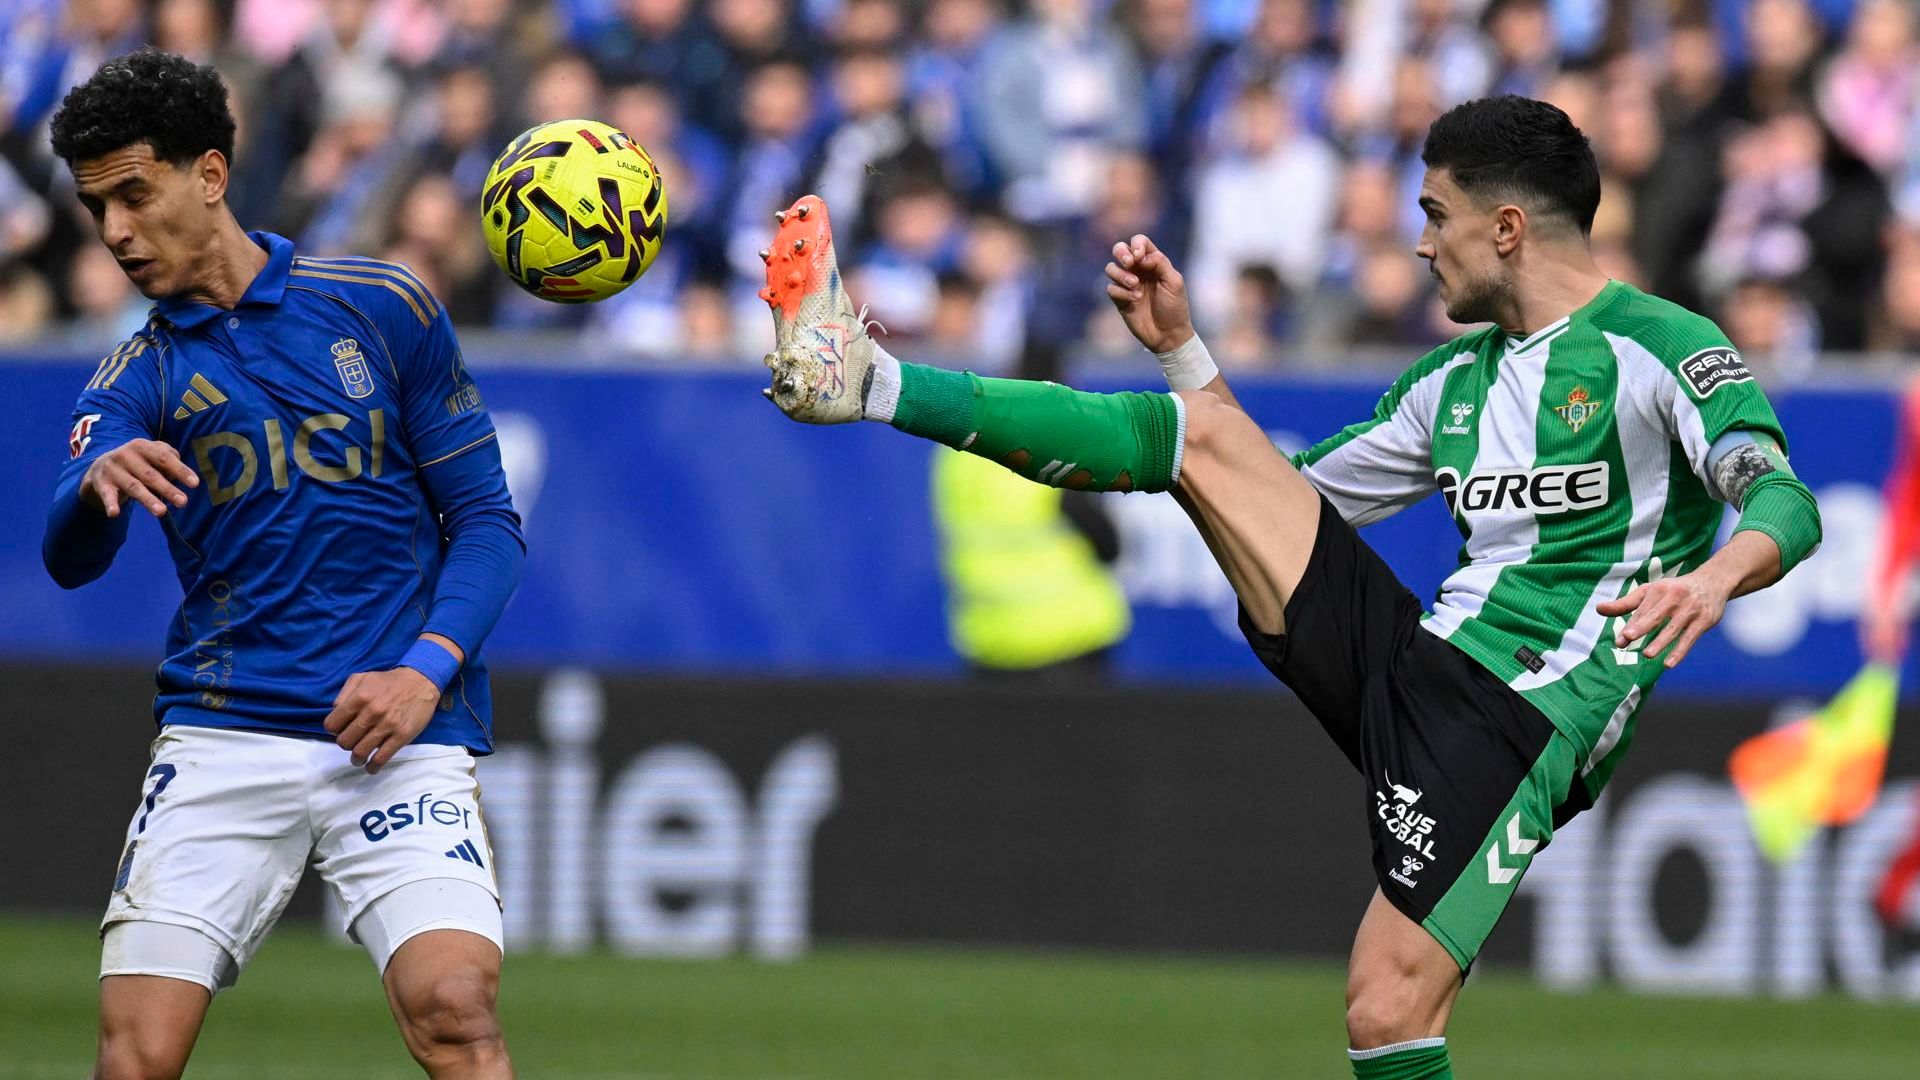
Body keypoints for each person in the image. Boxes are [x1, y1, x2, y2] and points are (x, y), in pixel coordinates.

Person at [755, 95, 1821, 1078]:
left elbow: (1783, 500)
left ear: (1505, 228)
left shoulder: (1660, 347)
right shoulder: (1451, 383)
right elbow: (1277, 495)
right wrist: (1186, 359)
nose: (1418, 242)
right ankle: (864, 379)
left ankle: (868, 381)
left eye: (1435, 213)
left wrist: (1719, 573)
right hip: (1417, 668)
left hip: (1523, 714)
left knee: (1385, 1012)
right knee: (1202, 443)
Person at [43, 49, 523, 1079]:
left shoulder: (384, 305)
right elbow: (69, 559)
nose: (117, 232)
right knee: (137, 1059)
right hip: (224, 731)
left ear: (209, 177)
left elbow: (487, 521)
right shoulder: (137, 374)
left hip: (397, 725)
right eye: (97, 209)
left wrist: (421, 672)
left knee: (454, 1008)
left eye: (134, 194)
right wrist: (90, 491)